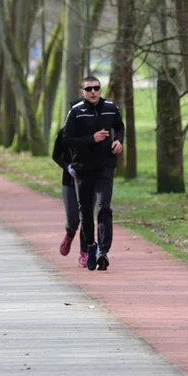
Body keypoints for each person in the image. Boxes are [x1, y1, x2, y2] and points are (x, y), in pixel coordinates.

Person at [63, 76, 124, 272]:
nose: (93, 92)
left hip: (106, 165)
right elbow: (67, 140)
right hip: (83, 168)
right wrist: (92, 138)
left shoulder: (110, 108)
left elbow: (120, 126)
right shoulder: (76, 112)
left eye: (96, 88)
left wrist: (119, 141)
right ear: (82, 92)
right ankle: (91, 246)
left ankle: (103, 251)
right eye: (88, 89)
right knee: (86, 212)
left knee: (104, 207)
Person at [52, 113, 86, 267]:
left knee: (86, 218)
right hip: (69, 182)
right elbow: (56, 155)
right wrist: (68, 167)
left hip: (88, 181)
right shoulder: (63, 132)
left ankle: (85, 253)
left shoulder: (92, 133)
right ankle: (70, 234)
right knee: (74, 218)